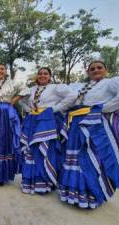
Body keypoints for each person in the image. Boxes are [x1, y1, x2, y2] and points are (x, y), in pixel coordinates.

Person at [59, 60, 119, 209]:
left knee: (91, 159)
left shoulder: (111, 82)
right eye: (92, 68)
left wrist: (104, 108)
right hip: (76, 126)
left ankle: (91, 195)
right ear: (88, 72)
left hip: (95, 126)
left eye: (99, 67)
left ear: (106, 70)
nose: (96, 70)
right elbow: (66, 100)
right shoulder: (80, 86)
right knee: (74, 159)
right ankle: (72, 193)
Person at [20, 67, 77, 195]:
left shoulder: (56, 88)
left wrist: (55, 109)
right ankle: (29, 182)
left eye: (45, 74)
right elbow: (22, 101)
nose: (42, 75)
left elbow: (72, 96)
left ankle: (44, 183)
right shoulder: (32, 89)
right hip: (32, 120)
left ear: (50, 76)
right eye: (40, 73)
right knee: (31, 150)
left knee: (45, 150)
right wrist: (28, 110)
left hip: (48, 121)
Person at [0, 63, 29, 185]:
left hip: (6, 114)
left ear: (5, 71)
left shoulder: (12, 83)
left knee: (4, 141)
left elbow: (26, 89)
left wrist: (13, 100)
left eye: (2, 69)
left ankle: (1, 176)